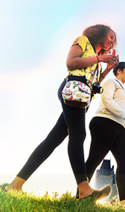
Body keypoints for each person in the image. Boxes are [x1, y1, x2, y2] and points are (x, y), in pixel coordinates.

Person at [6, 24, 118, 200]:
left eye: (114, 40)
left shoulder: (96, 58)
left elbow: (94, 82)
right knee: (78, 134)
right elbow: (71, 62)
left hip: (82, 97)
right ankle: (84, 189)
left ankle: (15, 184)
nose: (113, 41)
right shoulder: (83, 41)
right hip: (72, 90)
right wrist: (100, 59)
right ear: (100, 33)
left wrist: (107, 69)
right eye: (111, 36)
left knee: (51, 141)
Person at [84, 62, 125, 207]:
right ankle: (80, 194)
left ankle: (124, 201)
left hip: (121, 127)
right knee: (94, 160)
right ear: (118, 71)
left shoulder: (123, 90)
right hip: (105, 122)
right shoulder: (110, 82)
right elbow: (106, 100)